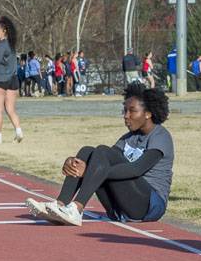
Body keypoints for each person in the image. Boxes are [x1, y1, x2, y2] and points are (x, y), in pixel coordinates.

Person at [27, 83, 172, 226]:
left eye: (132, 111)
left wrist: (89, 171)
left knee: (102, 151)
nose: (126, 116)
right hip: (119, 207)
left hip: (148, 207)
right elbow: (102, 161)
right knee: (88, 151)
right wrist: (74, 163)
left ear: (148, 113)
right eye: (124, 111)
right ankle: (60, 204)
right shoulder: (129, 138)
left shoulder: (160, 136)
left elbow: (136, 169)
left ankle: (77, 208)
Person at [0, 16, 24, 144]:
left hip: (0, 80)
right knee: (10, 109)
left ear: (4, 31)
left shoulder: (1, 46)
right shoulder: (11, 44)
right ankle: (19, 131)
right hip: (13, 80)